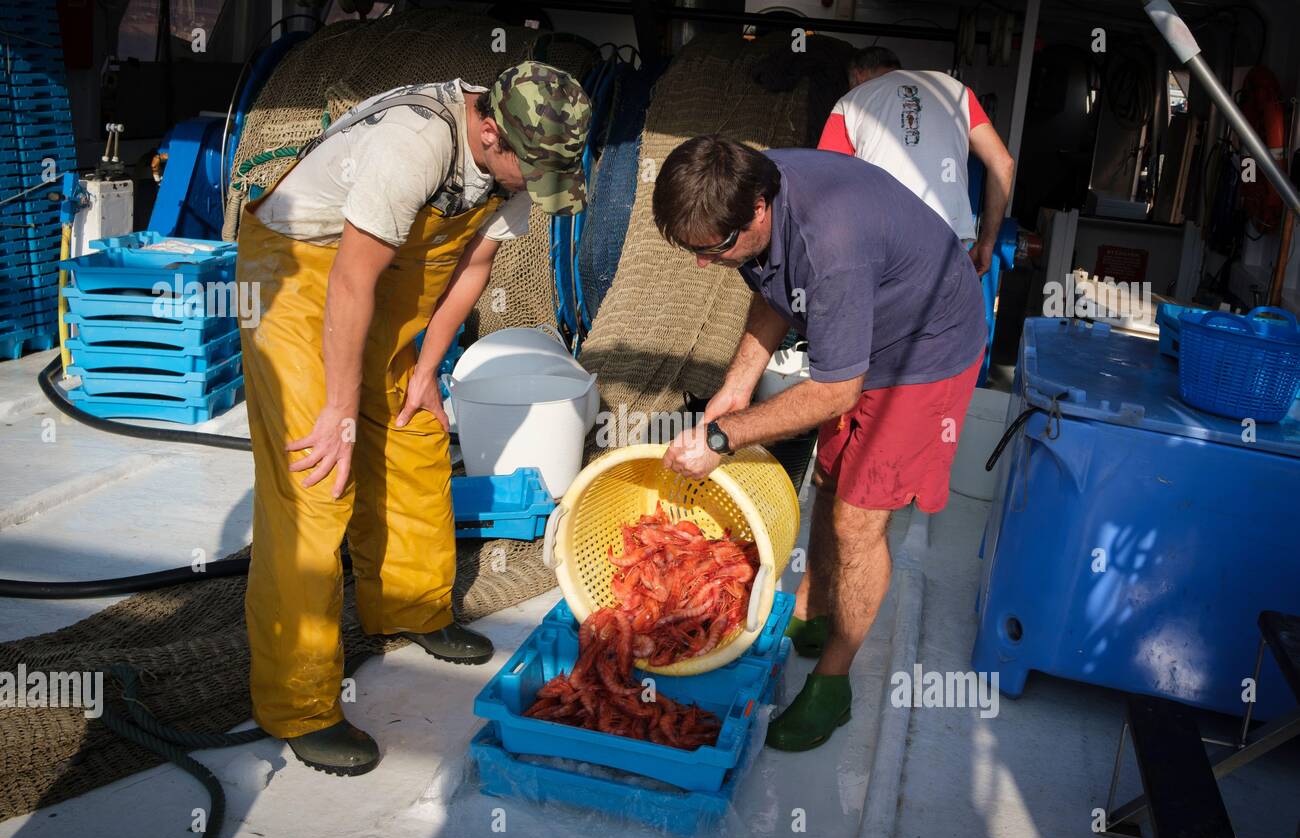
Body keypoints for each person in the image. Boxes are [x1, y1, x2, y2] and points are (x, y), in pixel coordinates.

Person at [235, 63, 590, 775]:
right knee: (316, 481)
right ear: (489, 131)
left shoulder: (515, 161)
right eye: (530, 170)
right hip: (301, 270)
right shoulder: (415, 144)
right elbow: (349, 279)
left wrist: (426, 370)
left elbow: (471, 268)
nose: (532, 187)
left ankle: (410, 606)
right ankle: (300, 705)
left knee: (412, 433)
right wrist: (338, 409)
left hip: (388, 275)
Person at [653, 136, 985, 752]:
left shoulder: (832, 244)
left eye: (713, 250)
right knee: (830, 479)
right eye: (692, 251)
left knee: (860, 521)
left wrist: (722, 435)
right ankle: (812, 610)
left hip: (925, 349)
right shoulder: (751, 189)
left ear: (758, 210)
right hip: (863, 335)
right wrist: (736, 384)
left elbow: (834, 392)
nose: (704, 264)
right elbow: (776, 290)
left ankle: (834, 684)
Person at [818, 46, 1015, 276]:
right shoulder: (956, 91)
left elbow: (824, 181)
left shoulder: (851, 102)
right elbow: (1003, 162)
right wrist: (987, 243)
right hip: (947, 239)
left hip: (881, 239)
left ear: (859, 75)